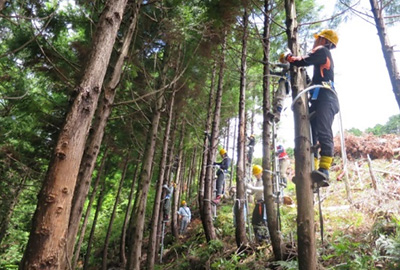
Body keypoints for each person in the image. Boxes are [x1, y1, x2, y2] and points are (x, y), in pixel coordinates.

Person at [282, 29, 339, 187]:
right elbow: (311, 80)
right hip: (318, 99)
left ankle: (324, 170)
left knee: (323, 131)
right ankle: (311, 170)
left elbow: (302, 60)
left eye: (317, 38)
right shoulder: (322, 60)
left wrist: (288, 57)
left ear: (323, 40)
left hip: (327, 98)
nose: (315, 41)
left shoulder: (323, 51)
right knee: (312, 135)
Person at [245, 165, 269, 243]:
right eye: (255, 174)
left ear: (261, 173)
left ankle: (265, 238)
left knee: (263, 221)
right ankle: (258, 238)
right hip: (258, 203)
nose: (255, 175)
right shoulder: (257, 181)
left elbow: (262, 189)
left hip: (263, 204)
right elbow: (253, 192)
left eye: (257, 174)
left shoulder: (265, 180)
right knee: (254, 221)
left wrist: (251, 187)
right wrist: (246, 189)